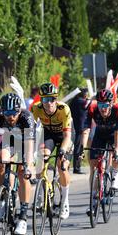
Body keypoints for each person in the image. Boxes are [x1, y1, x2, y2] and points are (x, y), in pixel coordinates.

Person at [0, 93, 35, 235]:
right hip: (8, 140)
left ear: (19, 110)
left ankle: (23, 215)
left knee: (23, 171)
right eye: (7, 113)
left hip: (25, 142)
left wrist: (28, 165)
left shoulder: (27, 117)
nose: (10, 117)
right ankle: (4, 195)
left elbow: (29, 147)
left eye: (14, 113)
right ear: (2, 111)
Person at [31, 82, 72, 219]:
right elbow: (31, 132)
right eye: (45, 99)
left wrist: (62, 151)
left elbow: (67, 136)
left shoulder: (63, 109)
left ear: (56, 99)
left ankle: (65, 201)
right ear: (41, 100)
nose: (49, 103)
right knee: (41, 159)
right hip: (48, 136)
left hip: (64, 137)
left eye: (52, 99)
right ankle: (40, 195)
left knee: (62, 165)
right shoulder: (36, 108)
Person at [82, 89, 118, 216]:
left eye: (105, 105)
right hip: (99, 135)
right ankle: (93, 200)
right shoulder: (93, 109)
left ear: (111, 104)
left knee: (117, 155)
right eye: (100, 104)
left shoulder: (117, 110)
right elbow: (86, 129)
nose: (103, 108)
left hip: (113, 135)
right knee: (94, 168)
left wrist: (116, 149)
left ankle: (115, 175)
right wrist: (82, 148)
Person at [69, 88, 91, 174]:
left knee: (73, 148)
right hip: (79, 128)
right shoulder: (80, 101)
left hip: (73, 127)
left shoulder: (74, 101)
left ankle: (73, 166)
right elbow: (88, 103)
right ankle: (76, 168)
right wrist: (90, 99)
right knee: (78, 148)